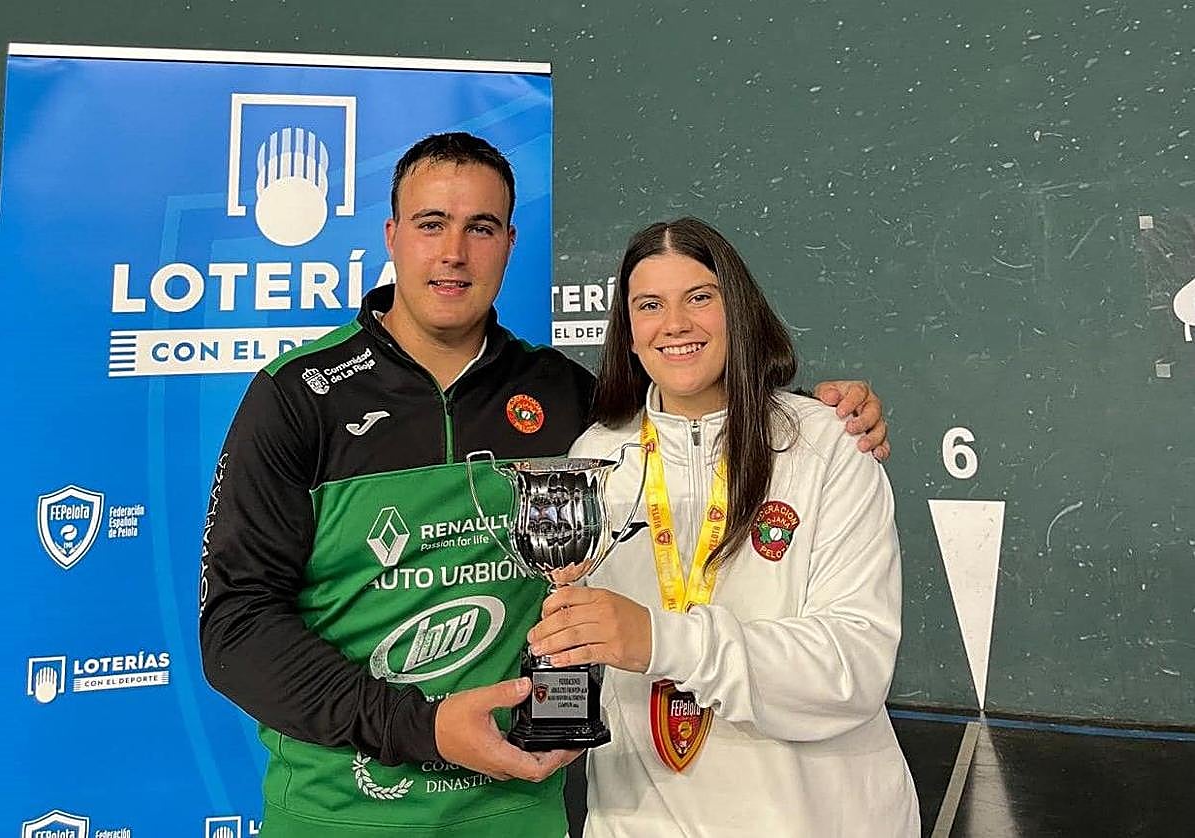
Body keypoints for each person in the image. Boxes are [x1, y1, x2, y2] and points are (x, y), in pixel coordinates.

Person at [199, 134, 892, 837]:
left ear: (508, 242)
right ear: (392, 234)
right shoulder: (298, 397)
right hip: (341, 809)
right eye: (431, 224)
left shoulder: (565, 402)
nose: (453, 253)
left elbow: (691, 414)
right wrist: (424, 727)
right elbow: (235, 630)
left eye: (481, 227)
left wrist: (815, 414)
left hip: (517, 809)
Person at [528, 217, 920, 836]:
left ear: (738, 309)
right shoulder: (597, 456)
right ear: (628, 334)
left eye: (700, 298)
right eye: (649, 305)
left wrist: (661, 640)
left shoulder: (825, 442)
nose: (675, 324)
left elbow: (855, 668)